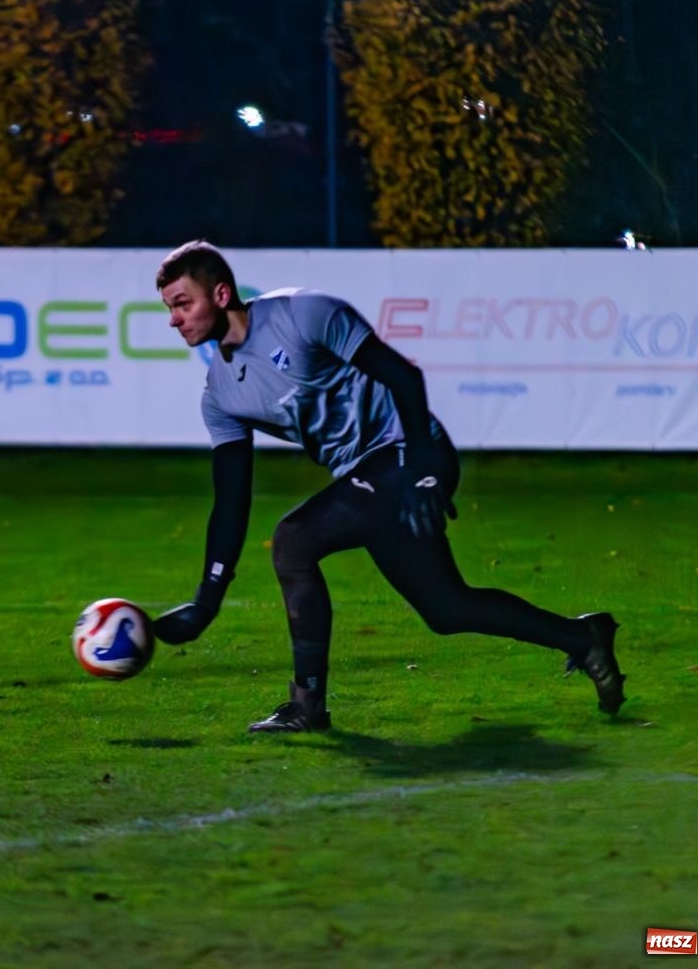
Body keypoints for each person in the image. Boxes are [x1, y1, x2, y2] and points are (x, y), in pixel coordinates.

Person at [150, 240, 625, 733]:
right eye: (169, 309)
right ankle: (583, 637)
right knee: (446, 609)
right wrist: (207, 601)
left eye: (183, 303)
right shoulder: (220, 395)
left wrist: (423, 468)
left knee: (293, 540)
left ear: (221, 294)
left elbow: (403, 376)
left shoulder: (302, 314)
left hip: (412, 450)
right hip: (367, 479)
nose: (174, 319)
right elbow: (231, 500)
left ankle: (308, 704)